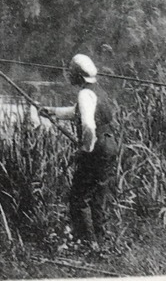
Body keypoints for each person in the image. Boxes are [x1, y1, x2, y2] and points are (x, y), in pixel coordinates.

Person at [40, 54, 121, 247]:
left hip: (97, 147)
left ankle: (86, 242)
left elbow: (88, 126)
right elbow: (77, 111)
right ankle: (99, 240)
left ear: (79, 75)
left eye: (71, 71)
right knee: (98, 196)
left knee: (79, 196)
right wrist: (52, 111)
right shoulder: (97, 91)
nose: (68, 75)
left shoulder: (85, 93)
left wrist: (85, 150)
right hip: (110, 145)